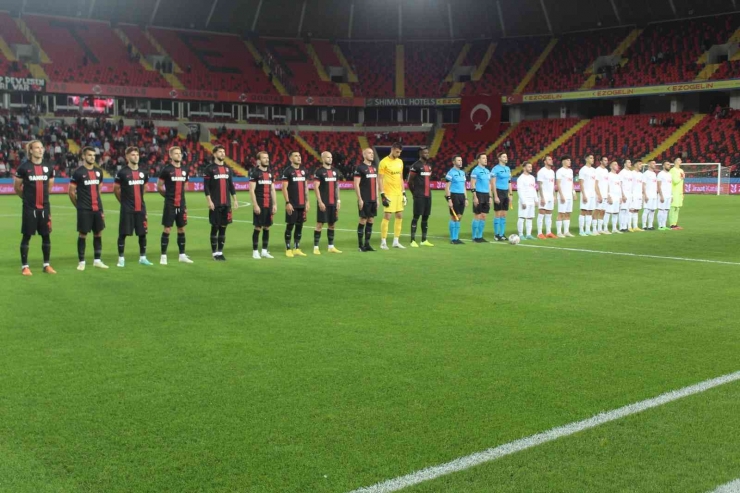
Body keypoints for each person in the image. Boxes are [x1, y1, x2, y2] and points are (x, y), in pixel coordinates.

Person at [14, 140, 55, 275]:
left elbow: (49, 187)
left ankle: (46, 265)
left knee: (46, 236)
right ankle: (25, 266)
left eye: (41, 147)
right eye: (36, 148)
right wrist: (26, 199)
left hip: (44, 207)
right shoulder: (23, 168)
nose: (40, 150)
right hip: (30, 208)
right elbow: (17, 187)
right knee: (27, 236)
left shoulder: (49, 167)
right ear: (30, 151)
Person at [69, 146, 108, 270]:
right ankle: (81, 262)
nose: (92, 157)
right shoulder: (78, 172)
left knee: (98, 233)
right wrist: (79, 206)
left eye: (93, 155)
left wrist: (99, 207)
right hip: (84, 209)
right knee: (83, 234)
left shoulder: (99, 172)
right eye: (89, 155)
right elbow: (71, 192)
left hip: (97, 208)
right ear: (83, 156)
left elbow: (99, 190)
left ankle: (97, 260)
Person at [114, 147, 152, 267]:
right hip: (127, 209)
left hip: (141, 208)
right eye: (133, 155)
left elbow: (145, 187)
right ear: (127, 157)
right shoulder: (122, 172)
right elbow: (116, 189)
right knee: (123, 234)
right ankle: (121, 259)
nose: (136, 157)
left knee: (142, 233)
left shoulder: (144, 172)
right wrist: (124, 202)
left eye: (137, 154)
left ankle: (143, 257)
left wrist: (139, 198)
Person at [158, 146, 193, 265]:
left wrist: (182, 199)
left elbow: (186, 186)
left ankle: (182, 255)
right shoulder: (166, 170)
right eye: (176, 154)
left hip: (181, 204)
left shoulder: (185, 169)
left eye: (180, 153)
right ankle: (163, 256)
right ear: (171, 156)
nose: (179, 155)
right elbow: (159, 186)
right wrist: (167, 196)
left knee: (181, 228)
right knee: (167, 229)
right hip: (170, 204)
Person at [203, 145, 239, 261]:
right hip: (215, 203)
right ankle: (214, 253)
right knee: (215, 227)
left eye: (224, 151)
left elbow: (231, 186)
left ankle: (220, 252)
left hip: (226, 204)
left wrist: (235, 200)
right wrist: (209, 201)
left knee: (223, 227)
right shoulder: (209, 169)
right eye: (220, 152)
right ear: (214, 154)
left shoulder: (228, 169)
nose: (223, 153)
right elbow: (206, 187)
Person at [281, 150, 310, 257]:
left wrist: (307, 201)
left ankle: (297, 247)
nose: (299, 157)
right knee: (290, 226)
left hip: (302, 204)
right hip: (292, 204)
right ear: (291, 159)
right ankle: (288, 249)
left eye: (299, 155)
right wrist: (287, 202)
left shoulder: (304, 170)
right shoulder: (287, 171)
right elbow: (284, 188)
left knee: (300, 226)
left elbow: (306, 187)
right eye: (296, 156)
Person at [312, 151, 342, 254]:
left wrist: (338, 200)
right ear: (323, 159)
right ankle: (316, 247)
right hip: (324, 202)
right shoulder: (319, 171)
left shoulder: (335, 171)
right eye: (328, 157)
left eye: (331, 157)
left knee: (332, 224)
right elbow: (315, 187)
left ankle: (331, 246)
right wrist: (320, 202)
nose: (330, 159)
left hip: (333, 202)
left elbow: (337, 186)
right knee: (319, 224)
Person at [378, 142, 406, 249]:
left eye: (400, 152)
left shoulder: (400, 162)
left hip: (398, 193)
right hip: (388, 193)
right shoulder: (383, 162)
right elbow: (380, 179)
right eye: (397, 152)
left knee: (399, 215)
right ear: (392, 149)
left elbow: (401, 178)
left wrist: (403, 192)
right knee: (387, 216)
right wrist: (382, 194)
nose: (399, 154)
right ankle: (383, 242)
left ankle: (396, 241)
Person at [249, 151, 276, 259]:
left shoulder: (270, 174)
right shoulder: (255, 173)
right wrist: (255, 205)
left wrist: (274, 204)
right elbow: (251, 190)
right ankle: (255, 251)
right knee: (258, 227)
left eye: (267, 158)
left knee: (267, 227)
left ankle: (264, 251)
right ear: (259, 160)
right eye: (264, 158)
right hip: (260, 203)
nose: (267, 160)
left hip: (268, 204)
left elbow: (273, 189)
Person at [407, 146, 434, 247]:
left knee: (425, 218)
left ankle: (424, 240)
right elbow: (409, 182)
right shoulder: (415, 166)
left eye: (427, 153)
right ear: (420, 154)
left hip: (428, 195)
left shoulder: (429, 166)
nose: (427, 154)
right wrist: (414, 193)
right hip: (419, 195)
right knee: (416, 217)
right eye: (425, 153)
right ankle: (412, 240)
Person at [353, 148, 379, 252]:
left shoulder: (374, 168)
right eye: (369, 153)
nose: (372, 155)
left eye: (372, 153)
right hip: (364, 199)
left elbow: (376, 183)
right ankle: (360, 245)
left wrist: (377, 198)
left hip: (373, 199)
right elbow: (356, 184)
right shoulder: (360, 168)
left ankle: (367, 244)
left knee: (371, 220)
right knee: (363, 220)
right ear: (364, 155)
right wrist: (359, 199)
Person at [444, 155, 468, 244]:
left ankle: (456, 238)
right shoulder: (450, 173)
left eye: (461, 160)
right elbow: (447, 187)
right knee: (454, 217)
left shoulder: (462, 173)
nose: (460, 162)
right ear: (453, 162)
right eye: (458, 160)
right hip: (454, 195)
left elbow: (464, 186)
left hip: (461, 196)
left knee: (459, 217)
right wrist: (449, 199)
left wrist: (466, 198)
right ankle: (453, 238)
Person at [470, 153, 492, 243]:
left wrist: (490, 196)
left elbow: (489, 184)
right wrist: (475, 197)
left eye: (486, 158)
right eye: (483, 158)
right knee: (477, 216)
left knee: (484, 216)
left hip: (486, 195)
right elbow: (472, 184)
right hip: (478, 194)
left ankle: (480, 236)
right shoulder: (475, 171)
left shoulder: (487, 171)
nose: (485, 160)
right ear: (478, 160)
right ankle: (474, 236)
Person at [492, 152, 513, 241]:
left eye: (506, 156)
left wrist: (510, 194)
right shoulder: (495, 169)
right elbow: (492, 183)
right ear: (499, 158)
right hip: (498, 191)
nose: (506, 158)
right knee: (498, 213)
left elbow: (509, 182)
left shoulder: (508, 169)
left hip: (505, 192)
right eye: (504, 156)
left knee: (504, 214)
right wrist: (495, 196)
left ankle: (502, 234)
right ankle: (496, 234)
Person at [536, 155, 556, 239]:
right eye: (549, 159)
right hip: (543, 195)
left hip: (550, 196)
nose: (551, 160)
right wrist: (542, 197)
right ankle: (539, 233)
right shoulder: (541, 171)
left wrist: (554, 196)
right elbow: (539, 185)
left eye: (551, 159)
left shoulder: (552, 172)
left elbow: (553, 185)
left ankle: (548, 232)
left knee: (549, 215)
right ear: (545, 161)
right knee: (541, 214)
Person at [555, 155, 576, 237]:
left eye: (570, 160)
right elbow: (558, 184)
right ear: (563, 161)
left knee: (568, 213)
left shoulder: (571, 171)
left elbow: (571, 183)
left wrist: (573, 193)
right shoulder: (559, 171)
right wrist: (561, 195)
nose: (569, 161)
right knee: (561, 213)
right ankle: (559, 232)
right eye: (568, 160)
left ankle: (566, 231)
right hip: (563, 195)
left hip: (569, 195)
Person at [516, 162, 536, 240]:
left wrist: (536, 199)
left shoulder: (532, 178)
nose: (530, 168)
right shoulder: (521, 178)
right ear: (524, 168)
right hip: (525, 200)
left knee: (530, 218)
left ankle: (528, 234)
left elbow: (534, 189)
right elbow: (519, 190)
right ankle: (520, 234)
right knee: (522, 217)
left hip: (531, 200)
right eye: (529, 167)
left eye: (531, 167)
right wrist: (523, 201)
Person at [606, 161, 626, 234]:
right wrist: (608, 195)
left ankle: (614, 228)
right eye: (614, 164)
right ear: (610, 166)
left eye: (617, 164)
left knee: (616, 213)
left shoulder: (618, 176)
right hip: (611, 196)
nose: (616, 165)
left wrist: (621, 196)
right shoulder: (608, 175)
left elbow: (620, 186)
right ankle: (605, 228)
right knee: (608, 212)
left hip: (617, 197)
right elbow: (607, 185)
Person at [578, 154, 597, 236]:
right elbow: (581, 183)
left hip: (592, 193)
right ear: (586, 159)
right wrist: (584, 194)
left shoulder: (594, 170)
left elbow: (595, 183)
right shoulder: (583, 170)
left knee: (590, 211)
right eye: (591, 158)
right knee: (583, 211)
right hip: (586, 193)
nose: (593, 159)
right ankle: (581, 230)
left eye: (593, 158)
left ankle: (588, 230)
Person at [594, 156, 610, 234]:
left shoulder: (606, 171)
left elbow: (607, 184)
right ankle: (594, 229)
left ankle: (600, 229)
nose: (607, 161)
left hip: (605, 195)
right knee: (597, 211)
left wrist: (608, 194)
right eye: (605, 160)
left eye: (607, 160)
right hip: (599, 194)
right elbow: (595, 184)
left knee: (603, 211)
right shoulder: (597, 170)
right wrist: (599, 194)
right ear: (601, 161)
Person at [641, 160, 658, 230]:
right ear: (649, 164)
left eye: (655, 163)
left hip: (654, 195)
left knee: (652, 210)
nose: (655, 164)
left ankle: (650, 225)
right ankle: (644, 225)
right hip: (648, 194)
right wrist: (645, 195)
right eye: (653, 163)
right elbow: (643, 185)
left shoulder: (654, 174)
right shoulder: (646, 174)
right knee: (646, 210)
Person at [669, 157, 685, 230]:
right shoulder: (672, 170)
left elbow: (681, 182)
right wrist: (681, 178)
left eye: (680, 160)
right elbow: (675, 181)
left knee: (677, 208)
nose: (680, 161)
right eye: (679, 160)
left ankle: (675, 223)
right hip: (674, 191)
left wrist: (682, 192)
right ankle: (671, 224)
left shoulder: (681, 170)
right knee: (673, 208)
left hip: (679, 192)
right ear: (675, 162)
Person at [617, 159, 633, 232]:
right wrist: (622, 195)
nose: (630, 163)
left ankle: (625, 226)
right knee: (622, 210)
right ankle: (621, 227)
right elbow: (620, 185)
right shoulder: (622, 173)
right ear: (624, 164)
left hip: (629, 194)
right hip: (624, 194)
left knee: (627, 211)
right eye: (629, 162)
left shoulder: (630, 173)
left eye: (630, 162)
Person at [657, 161, 673, 230]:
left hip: (668, 195)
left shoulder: (670, 174)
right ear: (663, 166)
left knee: (666, 210)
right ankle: (660, 226)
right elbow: (658, 186)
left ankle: (664, 225)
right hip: (662, 195)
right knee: (661, 210)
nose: (669, 165)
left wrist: (671, 195)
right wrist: (661, 195)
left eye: (669, 164)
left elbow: (670, 186)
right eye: (667, 164)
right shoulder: (660, 174)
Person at [630, 160, 644, 232]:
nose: (641, 165)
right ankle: (629, 226)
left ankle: (635, 226)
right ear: (635, 165)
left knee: (636, 210)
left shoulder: (641, 175)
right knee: (631, 210)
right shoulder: (632, 173)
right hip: (633, 194)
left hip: (639, 194)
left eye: (641, 164)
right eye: (639, 164)